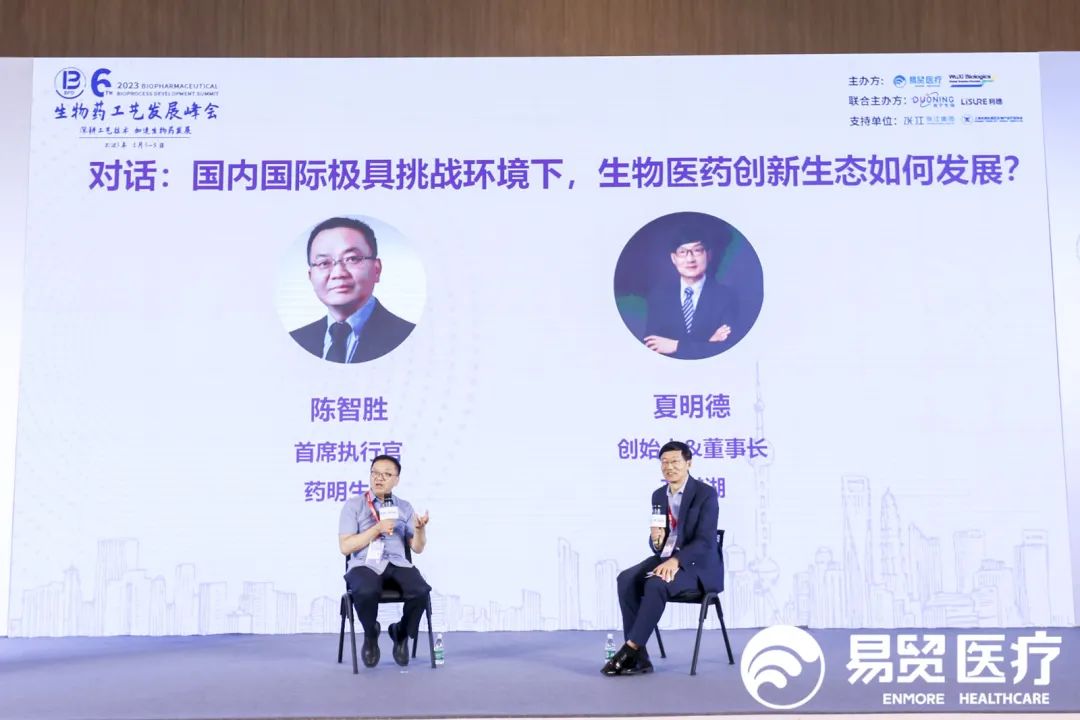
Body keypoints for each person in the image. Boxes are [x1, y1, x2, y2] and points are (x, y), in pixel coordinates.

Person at [602, 441, 721, 676]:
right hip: (665, 557)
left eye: (675, 461)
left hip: (697, 566)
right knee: (626, 579)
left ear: (689, 463)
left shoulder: (705, 493)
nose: (669, 467)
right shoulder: (658, 495)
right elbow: (660, 543)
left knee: (656, 583)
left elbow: (705, 540)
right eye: (664, 462)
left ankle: (630, 650)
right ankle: (640, 658)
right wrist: (656, 541)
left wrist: (676, 561)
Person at [338, 454, 431, 667]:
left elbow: (417, 548)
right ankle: (371, 635)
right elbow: (345, 547)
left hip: (397, 563)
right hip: (365, 564)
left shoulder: (404, 507)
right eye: (375, 473)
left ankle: (400, 632)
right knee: (365, 591)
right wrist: (377, 528)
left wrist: (420, 530)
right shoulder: (354, 505)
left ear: (396, 480)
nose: (379, 478)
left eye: (386, 474)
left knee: (421, 591)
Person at [290, 217, 415, 363]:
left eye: (352, 259)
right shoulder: (296, 340)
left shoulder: (409, 337)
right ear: (310, 276)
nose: (338, 273)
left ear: (376, 270)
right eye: (324, 263)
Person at [642, 235, 739, 360]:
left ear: (708, 255)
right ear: (674, 258)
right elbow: (652, 346)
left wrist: (676, 346)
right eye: (682, 252)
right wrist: (707, 344)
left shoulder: (726, 296)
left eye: (697, 250)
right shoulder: (659, 297)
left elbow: (728, 348)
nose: (690, 259)